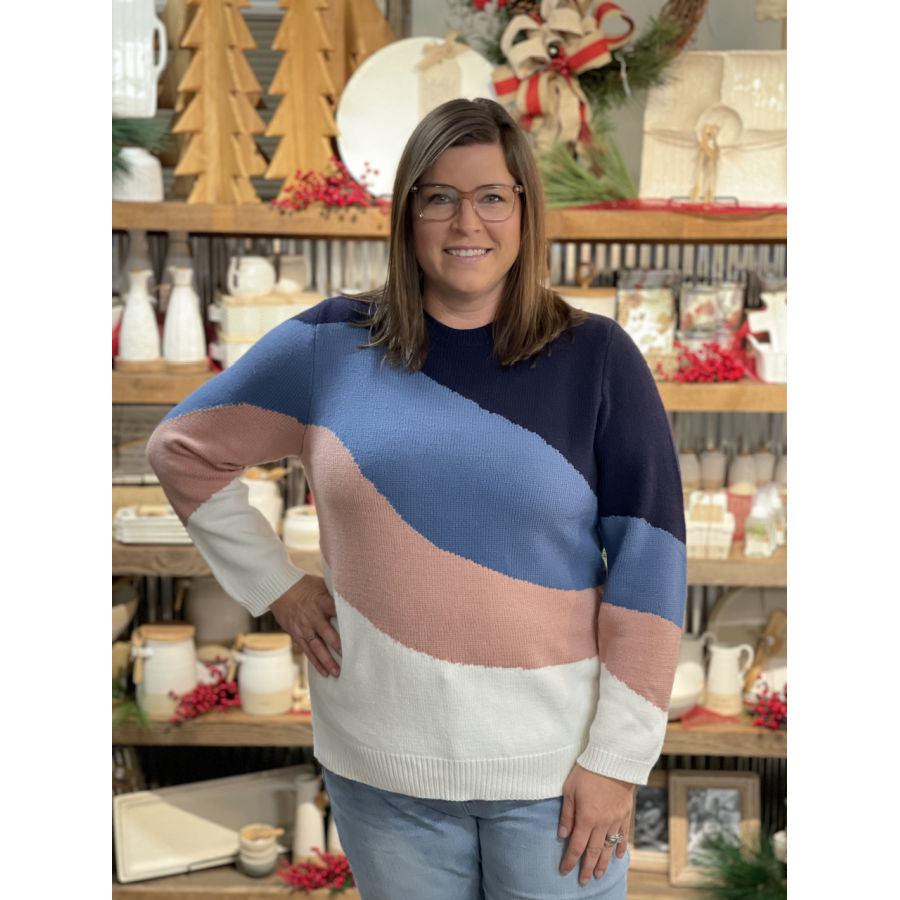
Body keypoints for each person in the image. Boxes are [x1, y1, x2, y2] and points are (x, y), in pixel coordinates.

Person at [147, 97, 686, 899]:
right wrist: (277, 585)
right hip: (382, 775)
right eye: (439, 197)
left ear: (524, 210)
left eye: (492, 196)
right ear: (406, 214)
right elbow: (182, 450)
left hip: (557, 776)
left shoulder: (596, 357)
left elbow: (652, 564)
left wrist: (617, 759)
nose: (467, 222)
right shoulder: (332, 345)